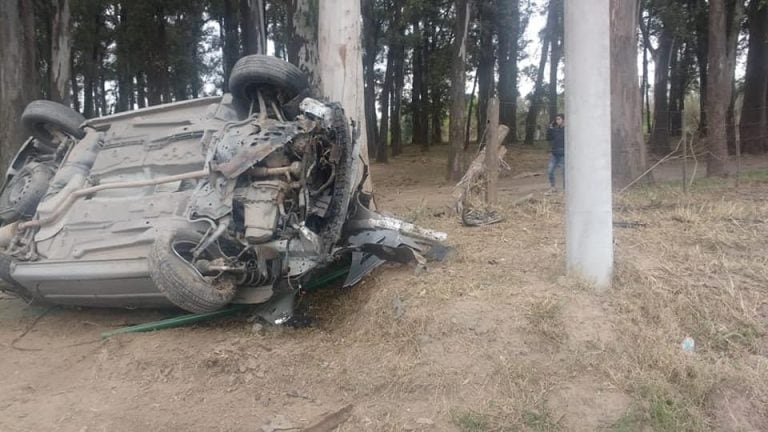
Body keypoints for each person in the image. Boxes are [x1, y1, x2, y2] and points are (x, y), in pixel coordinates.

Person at [545, 114, 565, 193]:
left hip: (564, 154)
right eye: (556, 119)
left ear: (563, 120)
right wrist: (549, 129)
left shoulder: (567, 130)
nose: (557, 121)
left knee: (564, 171)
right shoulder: (555, 130)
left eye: (559, 119)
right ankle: (553, 187)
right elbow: (548, 138)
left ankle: (565, 188)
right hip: (555, 154)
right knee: (550, 170)